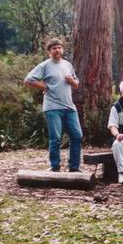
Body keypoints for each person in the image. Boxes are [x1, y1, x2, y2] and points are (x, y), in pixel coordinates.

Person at [24, 38, 83, 172]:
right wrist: (44, 86)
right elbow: (28, 79)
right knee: (56, 138)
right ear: (49, 51)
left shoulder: (67, 65)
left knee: (77, 136)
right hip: (52, 107)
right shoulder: (44, 66)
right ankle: (54, 167)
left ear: (62, 49)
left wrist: (71, 80)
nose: (57, 50)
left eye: (59, 47)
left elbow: (77, 84)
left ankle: (74, 167)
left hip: (69, 107)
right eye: (54, 48)